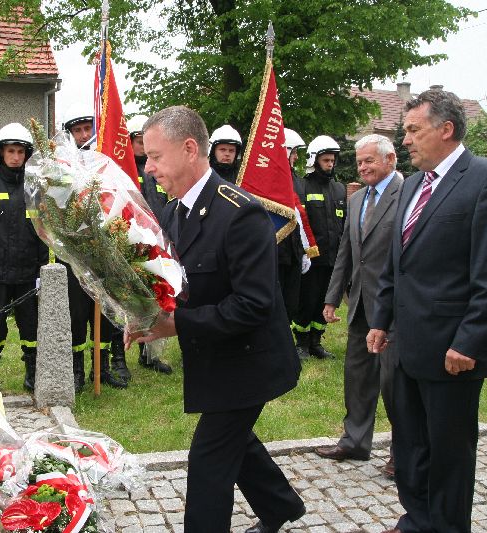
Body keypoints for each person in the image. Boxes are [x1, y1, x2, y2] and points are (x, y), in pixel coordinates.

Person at [128, 106, 304, 533]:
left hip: (250, 362)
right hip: (214, 357)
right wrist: (142, 308)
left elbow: (253, 304)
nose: (148, 168)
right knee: (236, 442)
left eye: (155, 157)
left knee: (209, 458)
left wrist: (176, 325)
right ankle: (280, 506)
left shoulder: (240, 212)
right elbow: (178, 282)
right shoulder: (173, 212)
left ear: (190, 149)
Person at [366, 89, 487, 533]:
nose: (405, 140)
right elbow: (398, 261)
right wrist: (381, 319)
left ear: (446, 129)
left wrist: (470, 342)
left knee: (449, 453)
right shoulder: (413, 184)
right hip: (407, 344)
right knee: (410, 445)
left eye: (414, 130)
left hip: (453, 351)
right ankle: (417, 520)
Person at [314, 134, 402, 478]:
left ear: (390, 159)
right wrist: (332, 297)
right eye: (359, 161)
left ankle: (402, 452)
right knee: (358, 377)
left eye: (369, 161)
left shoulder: (407, 194)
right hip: (361, 304)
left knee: (394, 382)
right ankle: (355, 441)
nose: (362, 168)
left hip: (394, 306)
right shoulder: (357, 199)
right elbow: (346, 253)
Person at [0, 123, 48, 391]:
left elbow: (42, 234)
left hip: (27, 275)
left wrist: (42, 272)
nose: (16, 157)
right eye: (11, 151)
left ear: (27, 155)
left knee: (30, 327)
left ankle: (33, 373)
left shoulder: (35, 190)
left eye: (20, 152)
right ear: (0, 152)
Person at [60, 106, 128, 389]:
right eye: (77, 130)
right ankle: (76, 370)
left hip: (104, 252)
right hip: (74, 253)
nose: (83, 135)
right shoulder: (62, 167)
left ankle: (101, 369)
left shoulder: (106, 165)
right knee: (77, 315)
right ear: (70, 135)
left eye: (88, 128)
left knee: (104, 313)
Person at [126, 114, 173, 375]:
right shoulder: (126, 169)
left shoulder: (159, 170)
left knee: (159, 297)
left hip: (160, 242)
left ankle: (151, 354)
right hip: (135, 242)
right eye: (139, 141)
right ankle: (120, 355)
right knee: (135, 300)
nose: (143, 147)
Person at [293, 135, 346, 359]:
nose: (330, 164)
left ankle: (316, 341)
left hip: (333, 260)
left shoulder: (340, 189)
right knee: (307, 300)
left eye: (332, 160)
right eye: (326, 160)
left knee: (324, 301)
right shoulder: (302, 186)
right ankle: (302, 343)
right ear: (314, 160)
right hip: (311, 260)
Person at [277, 128, 311, 349]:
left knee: (290, 302)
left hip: (293, 251)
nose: (297, 157)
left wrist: (304, 250)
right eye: (294, 152)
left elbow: (299, 217)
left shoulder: (294, 180)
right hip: (275, 253)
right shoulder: (268, 181)